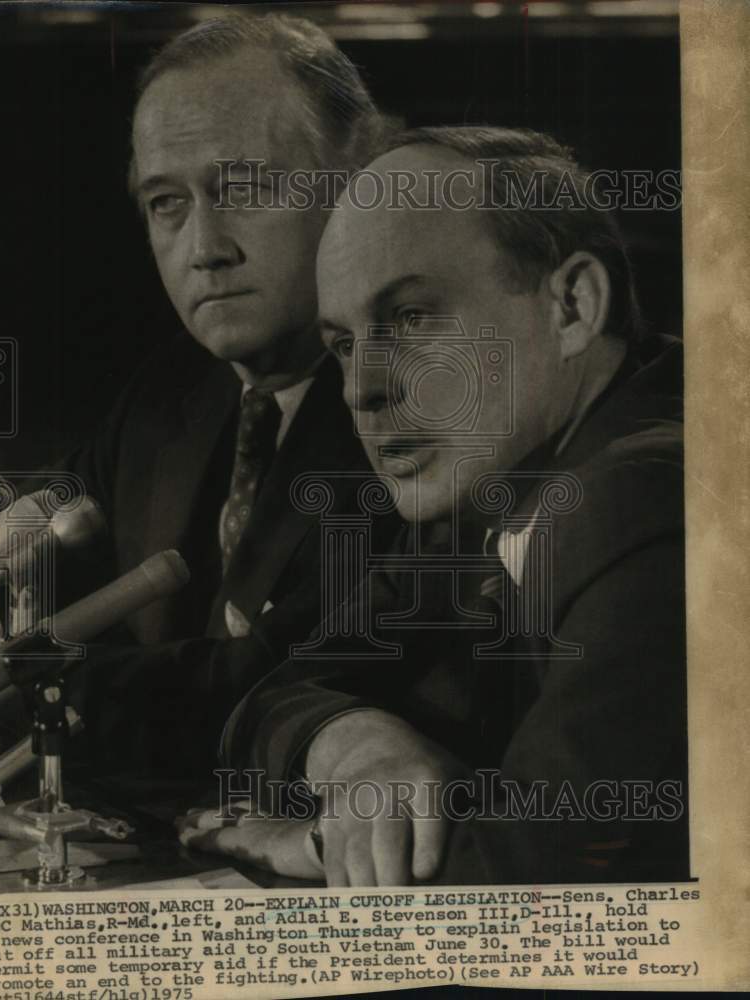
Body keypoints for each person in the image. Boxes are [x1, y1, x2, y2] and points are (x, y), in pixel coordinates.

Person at [183, 126, 687, 886]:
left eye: (413, 318)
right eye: (346, 344)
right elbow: (273, 690)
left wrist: (312, 840)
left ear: (573, 306)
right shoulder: (498, 473)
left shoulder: (650, 501)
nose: (361, 390)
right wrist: (359, 746)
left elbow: (538, 882)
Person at [0, 12, 398, 783]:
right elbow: (45, 543)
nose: (206, 249)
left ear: (359, 178)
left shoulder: (411, 407)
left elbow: (263, 680)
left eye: (248, 186)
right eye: (168, 203)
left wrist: (13, 684)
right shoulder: (171, 389)